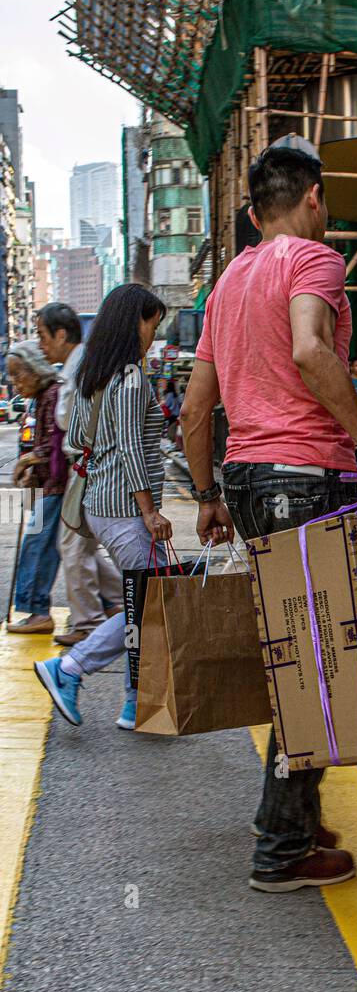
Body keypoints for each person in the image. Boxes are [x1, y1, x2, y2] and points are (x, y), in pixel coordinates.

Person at [180, 139, 357, 895]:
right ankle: (281, 848)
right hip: (304, 477)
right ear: (314, 198)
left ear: (251, 213)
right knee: (312, 668)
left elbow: (193, 409)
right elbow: (313, 352)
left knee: (300, 655)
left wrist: (209, 494)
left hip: (247, 479)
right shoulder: (315, 262)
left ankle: (293, 816)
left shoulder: (228, 281)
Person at [33, 283, 170, 731]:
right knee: (151, 604)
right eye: (153, 322)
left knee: (144, 602)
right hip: (127, 508)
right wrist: (149, 510)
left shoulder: (96, 374)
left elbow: (75, 441)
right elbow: (132, 447)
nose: (154, 332)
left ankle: (135, 703)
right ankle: (69, 667)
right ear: (136, 322)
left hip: (101, 502)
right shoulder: (130, 377)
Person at [36, 301, 123, 647]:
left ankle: (89, 621)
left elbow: (73, 419)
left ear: (61, 334)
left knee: (73, 545)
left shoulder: (80, 365)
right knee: (79, 543)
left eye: (43, 336)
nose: (41, 344)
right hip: (86, 465)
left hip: (86, 465)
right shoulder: (76, 364)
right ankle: (121, 600)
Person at [5, 342, 64, 635]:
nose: (15, 383)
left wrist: (28, 460)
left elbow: (55, 443)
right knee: (61, 549)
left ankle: (38, 611)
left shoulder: (52, 395)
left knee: (37, 545)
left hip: (60, 486)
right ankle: (109, 604)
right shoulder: (41, 399)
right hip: (51, 485)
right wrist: (34, 473)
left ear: (34, 370)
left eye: (18, 375)